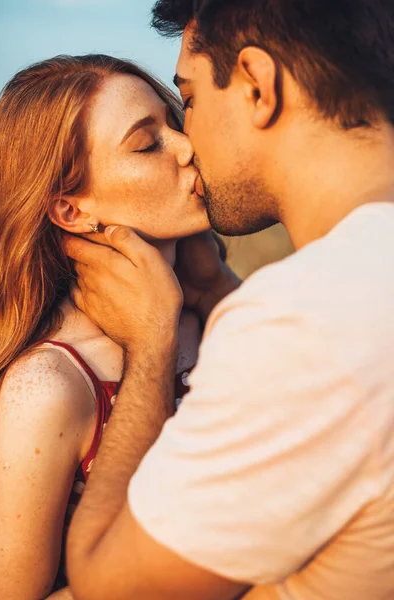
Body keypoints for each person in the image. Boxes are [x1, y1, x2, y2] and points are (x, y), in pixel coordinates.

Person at [65, 1, 394, 599]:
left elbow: (110, 589)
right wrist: (216, 291)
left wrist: (150, 344)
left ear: (257, 85)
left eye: (187, 101)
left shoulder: (302, 324)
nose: (186, 144)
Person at [0, 53, 225, 599]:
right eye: (147, 145)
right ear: (71, 210)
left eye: (175, 123)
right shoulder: (50, 385)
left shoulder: (216, 311)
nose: (187, 147)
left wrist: (214, 287)